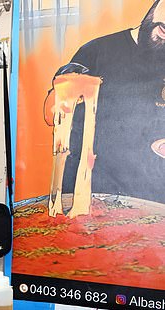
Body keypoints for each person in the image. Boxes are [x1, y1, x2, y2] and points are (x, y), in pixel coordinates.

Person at [45, 0, 165, 204]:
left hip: (151, 199)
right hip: (92, 194)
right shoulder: (99, 50)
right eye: (162, 28)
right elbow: (51, 113)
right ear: (156, 6)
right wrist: (64, 92)